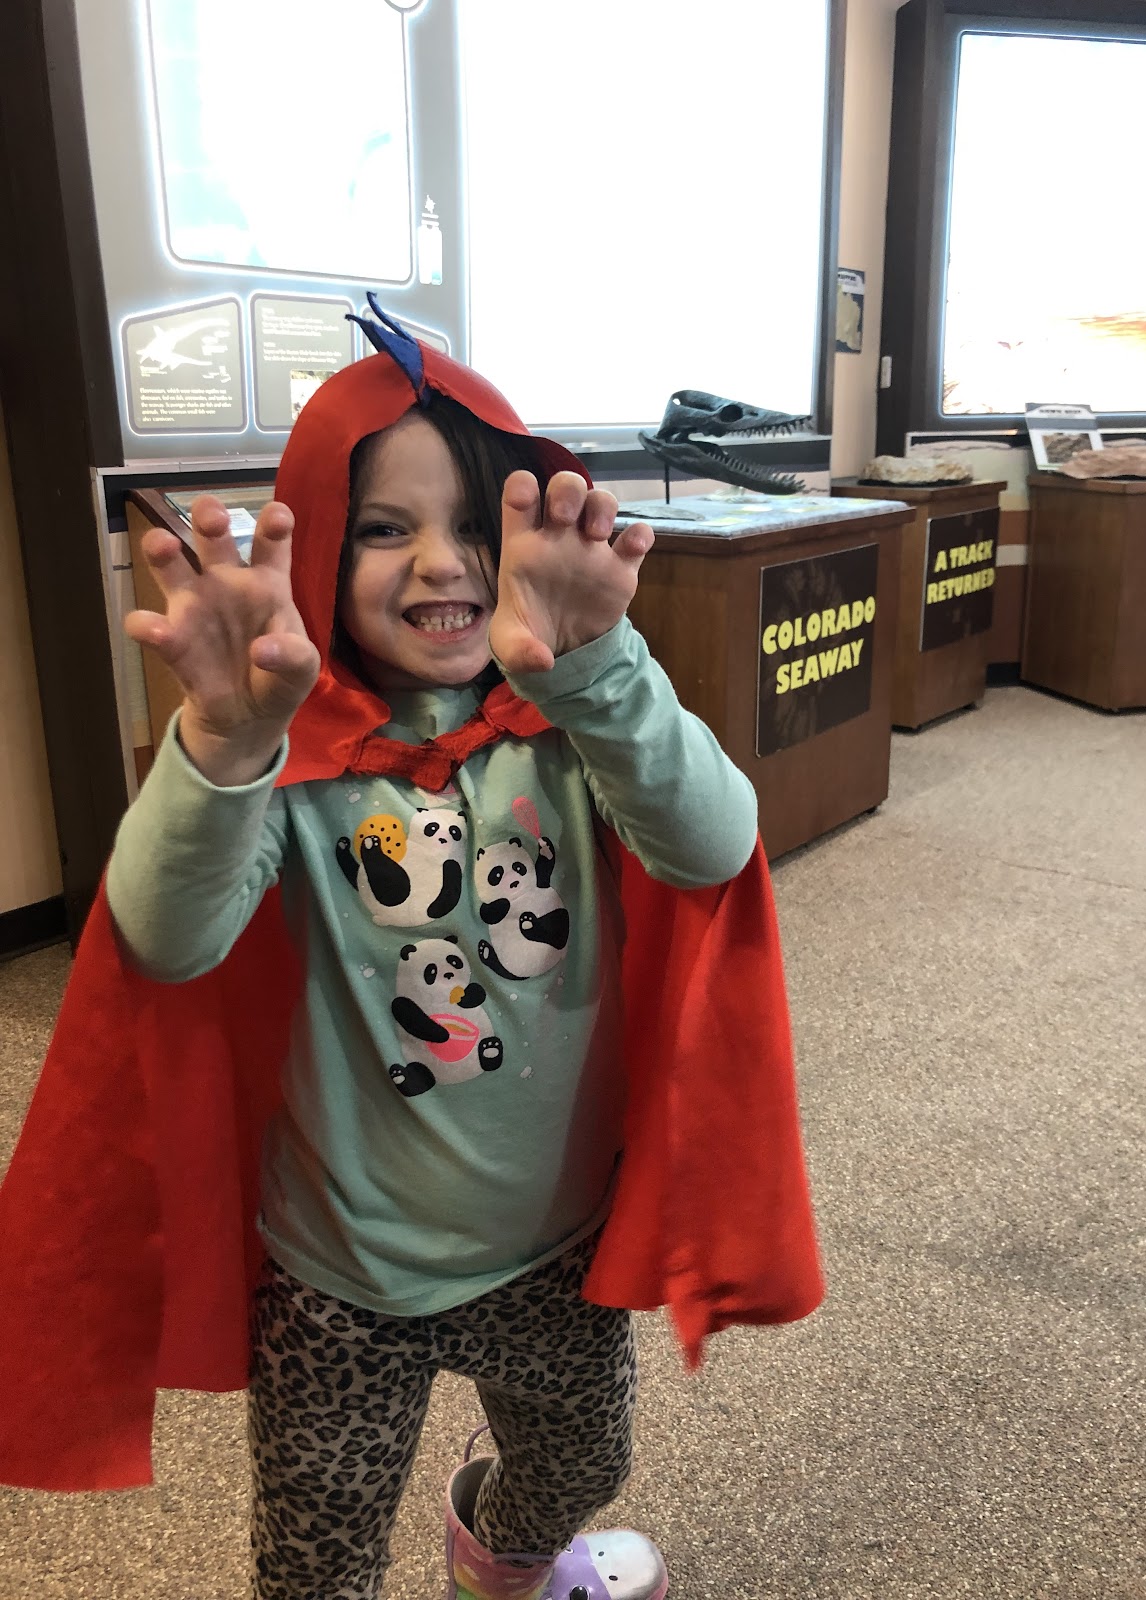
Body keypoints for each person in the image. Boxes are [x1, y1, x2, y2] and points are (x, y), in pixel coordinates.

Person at [0, 308, 824, 1599]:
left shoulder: (568, 724)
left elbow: (716, 843)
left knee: (580, 1467)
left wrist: (600, 667)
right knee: (316, 1563)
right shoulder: (295, 759)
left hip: (552, 1248)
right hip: (344, 1280)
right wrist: (222, 749)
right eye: (386, 526)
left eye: (474, 525)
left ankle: (497, 1560)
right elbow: (163, 941)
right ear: (323, 547)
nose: (441, 563)